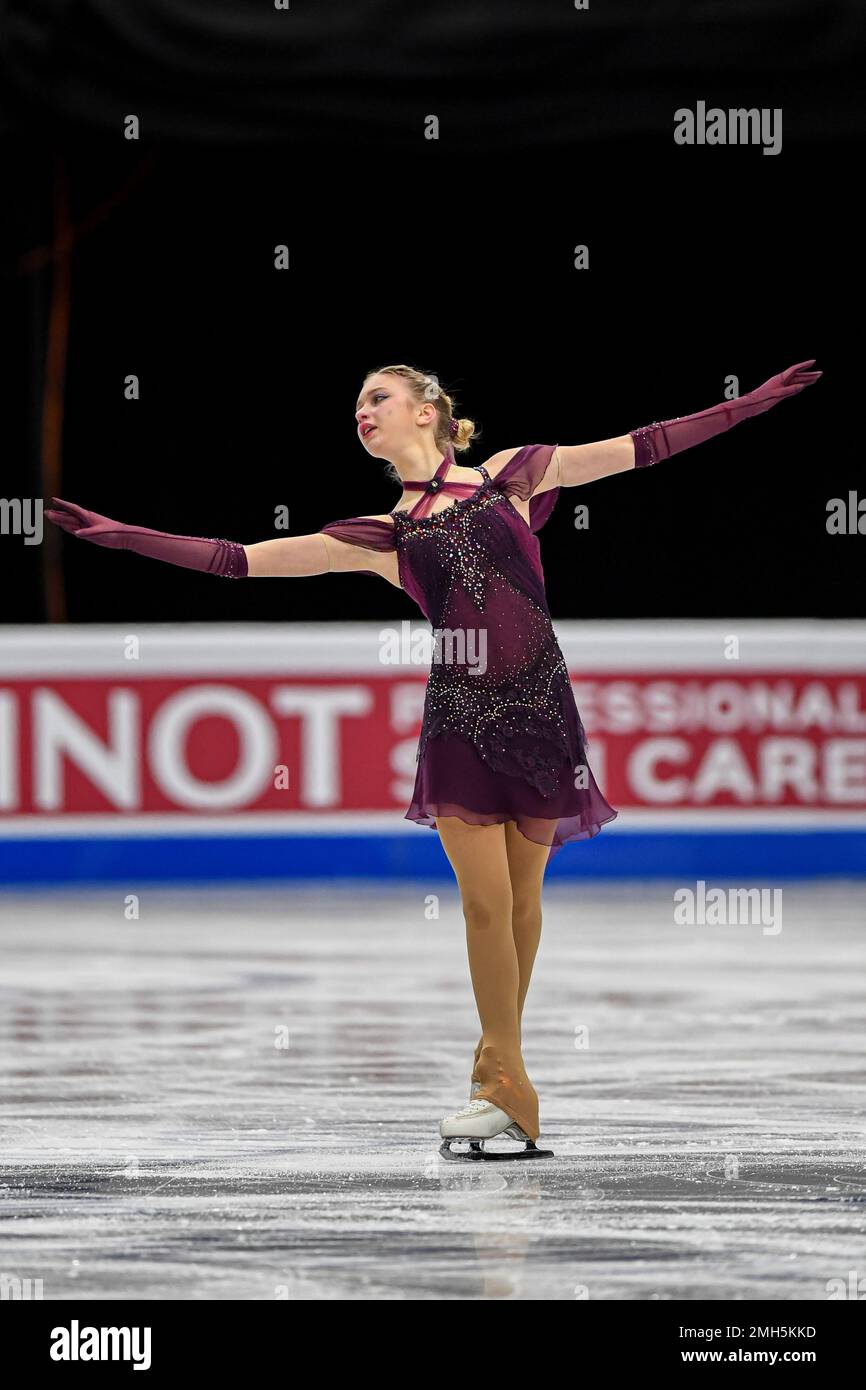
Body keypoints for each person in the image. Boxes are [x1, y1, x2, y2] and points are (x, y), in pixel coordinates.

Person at [45, 358, 820, 1161]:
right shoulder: (387, 538)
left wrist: (749, 408)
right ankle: (505, 1091)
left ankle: (496, 1073)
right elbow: (239, 559)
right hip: (459, 723)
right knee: (485, 906)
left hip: (544, 712)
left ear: (429, 411)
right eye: (356, 404)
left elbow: (646, 445)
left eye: (376, 396)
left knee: (523, 905)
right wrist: (125, 538)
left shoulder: (515, 476)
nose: (362, 411)